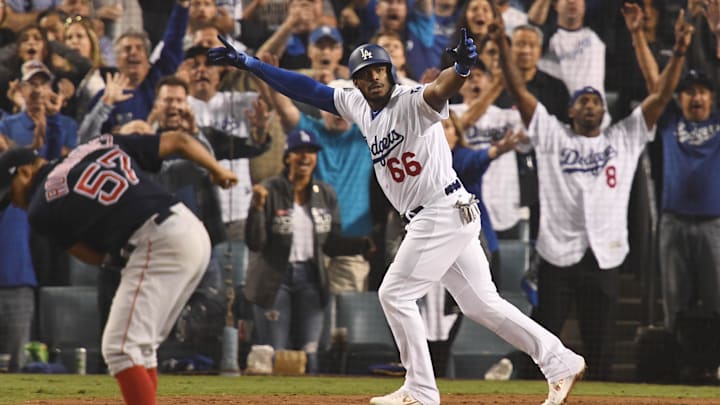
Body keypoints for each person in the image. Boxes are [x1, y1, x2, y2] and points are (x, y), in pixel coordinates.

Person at [210, 29, 586, 405]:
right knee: (481, 305)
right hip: (443, 213)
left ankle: (421, 390)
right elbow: (309, 90)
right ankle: (559, 361)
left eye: (380, 69)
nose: (374, 77)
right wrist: (251, 64)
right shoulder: (357, 104)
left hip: (440, 210)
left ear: (390, 71)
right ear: (355, 81)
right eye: (365, 73)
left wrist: (462, 68)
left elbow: (440, 88)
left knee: (394, 294)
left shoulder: (411, 101)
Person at [493, 7, 692, 381]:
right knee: (544, 340)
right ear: (570, 111)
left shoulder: (625, 138)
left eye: (596, 101)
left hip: (604, 256)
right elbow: (518, 91)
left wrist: (677, 51)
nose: (590, 104)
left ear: (604, 110)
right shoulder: (552, 135)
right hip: (557, 255)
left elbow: (662, 95)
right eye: (583, 101)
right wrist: (504, 48)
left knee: (599, 345)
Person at [0, 131, 238, 405]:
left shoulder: (39, 208)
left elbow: (89, 255)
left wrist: (117, 256)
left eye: (11, 191)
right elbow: (179, 141)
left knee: (120, 349)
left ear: (26, 172)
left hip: (158, 240)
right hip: (191, 228)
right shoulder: (98, 144)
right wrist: (217, 169)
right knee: (142, 349)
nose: (15, 202)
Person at [244, 128, 373, 373]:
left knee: (310, 350)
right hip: (274, 279)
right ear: (287, 157)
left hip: (311, 279)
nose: (305, 157)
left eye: (311, 152)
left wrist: (362, 244)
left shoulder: (325, 194)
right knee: (277, 351)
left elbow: (331, 243)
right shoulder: (269, 190)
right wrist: (257, 210)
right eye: (299, 152)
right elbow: (255, 243)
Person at [269, 78, 374, 294]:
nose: (339, 113)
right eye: (332, 106)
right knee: (309, 317)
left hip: (351, 244)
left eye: (346, 107)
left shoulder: (367, 135)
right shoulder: (309, 131)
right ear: (321, 108)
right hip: (309, 242)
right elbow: (283, 107)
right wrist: (267, 74)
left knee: (346, 321)